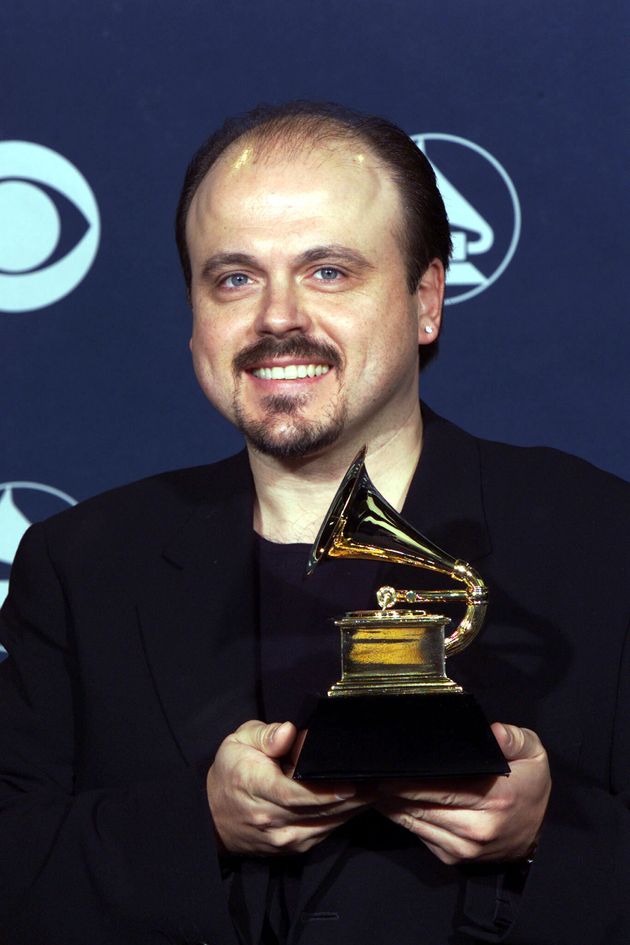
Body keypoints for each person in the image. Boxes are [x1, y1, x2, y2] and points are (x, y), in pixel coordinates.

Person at [0, 102, 628, 945]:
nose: (277, 317)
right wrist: (201, 820)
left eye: (328, 271)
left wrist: (549, 835)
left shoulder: (602, 538)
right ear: (194, 319)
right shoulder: (81, 564)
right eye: (234, 277)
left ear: (427, 300)